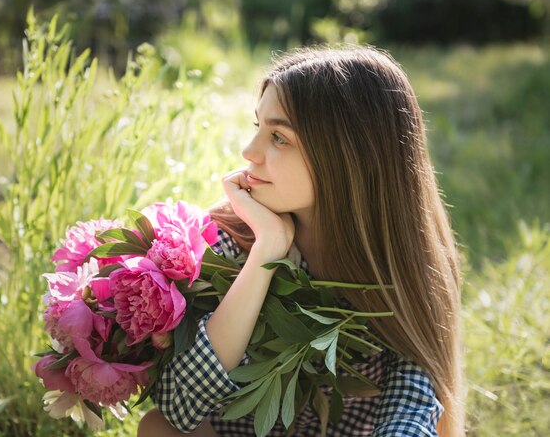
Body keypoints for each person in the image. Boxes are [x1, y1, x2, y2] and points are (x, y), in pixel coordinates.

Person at [137, 46, 465, 436]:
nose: (249, 152)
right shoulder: (233, 237)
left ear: (347, 158)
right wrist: (267, 248)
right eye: (257, 127)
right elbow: (179, 407)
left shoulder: (402, 265)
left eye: (279, 137)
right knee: (160, 429)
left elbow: (409, 410)